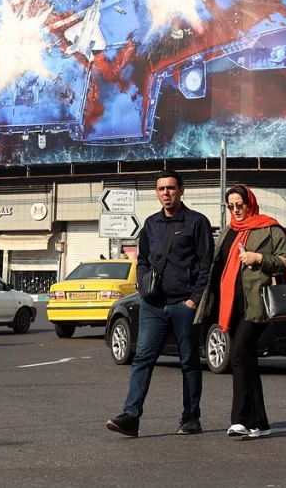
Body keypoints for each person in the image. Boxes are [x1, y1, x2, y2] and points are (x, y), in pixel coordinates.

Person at [107, 170, 214, 438]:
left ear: (181, 190)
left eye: (170, 188)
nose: (166, 193)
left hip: (183, 305)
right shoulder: (151, 224)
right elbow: (143, 259)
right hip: (153, 306)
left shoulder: (197, 222)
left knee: (189, 362)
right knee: (142, 358)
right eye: (161, 189)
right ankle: (131, 416)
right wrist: (143, 286)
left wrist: (194, 300)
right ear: (156, 193)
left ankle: (191, 418)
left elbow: (206, 266)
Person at [194, 184, 286, 440]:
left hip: (257, 305)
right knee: (247, 360)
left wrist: (258, 259)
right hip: (231, 306)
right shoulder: (227, 232)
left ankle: (240, 420)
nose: (236, 210)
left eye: (240, 205)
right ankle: (260, 422)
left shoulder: (270, 229)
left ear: (251, 203)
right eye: (231, 206)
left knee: (237, 355)